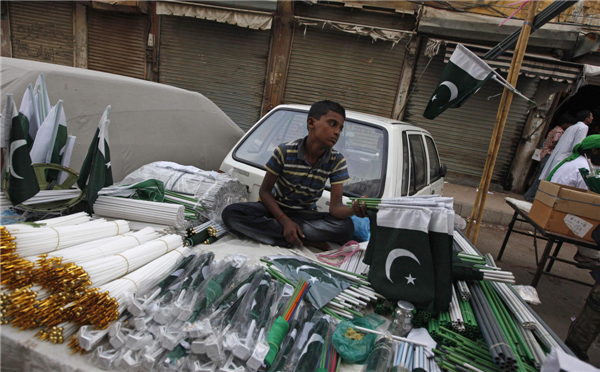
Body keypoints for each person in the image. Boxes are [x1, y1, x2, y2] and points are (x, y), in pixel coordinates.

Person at [222, 100, 367, 250]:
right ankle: (302, 239)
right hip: (275, 210)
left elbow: (335, 208)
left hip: (305, 215)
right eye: (332, 124)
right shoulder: (285, 151)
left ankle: (289, 235)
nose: (337, 132)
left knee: (345, 227)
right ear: (311, 123)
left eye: (340, 128)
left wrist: (354, 209)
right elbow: (265, 192)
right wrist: (284, 221)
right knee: (232, 213)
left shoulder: (337, 160)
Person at [547, 134, 600, 265]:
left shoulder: (579, 162)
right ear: (595, 150)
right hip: (560, 213)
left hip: (559, 206)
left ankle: (588, 254)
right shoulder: (585, 168)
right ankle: (588, 254)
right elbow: (588, 199)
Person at [523, 114, 576, 201]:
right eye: (570, 125)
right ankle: (530, 196)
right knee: (542, 178)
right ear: (566, 124)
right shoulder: (559, 132)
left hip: (546, 155)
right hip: (549, 155)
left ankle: (530, 195)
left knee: (540, 177)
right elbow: (553, 144)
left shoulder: (555, 129)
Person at [538, 110, 593, 183]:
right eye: (591, 116)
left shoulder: (572, 127)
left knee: (549, 179)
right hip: (565, 158)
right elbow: (577, 146)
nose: (592, 118)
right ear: (586, 118)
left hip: (558, 156)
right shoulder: (583, 128)